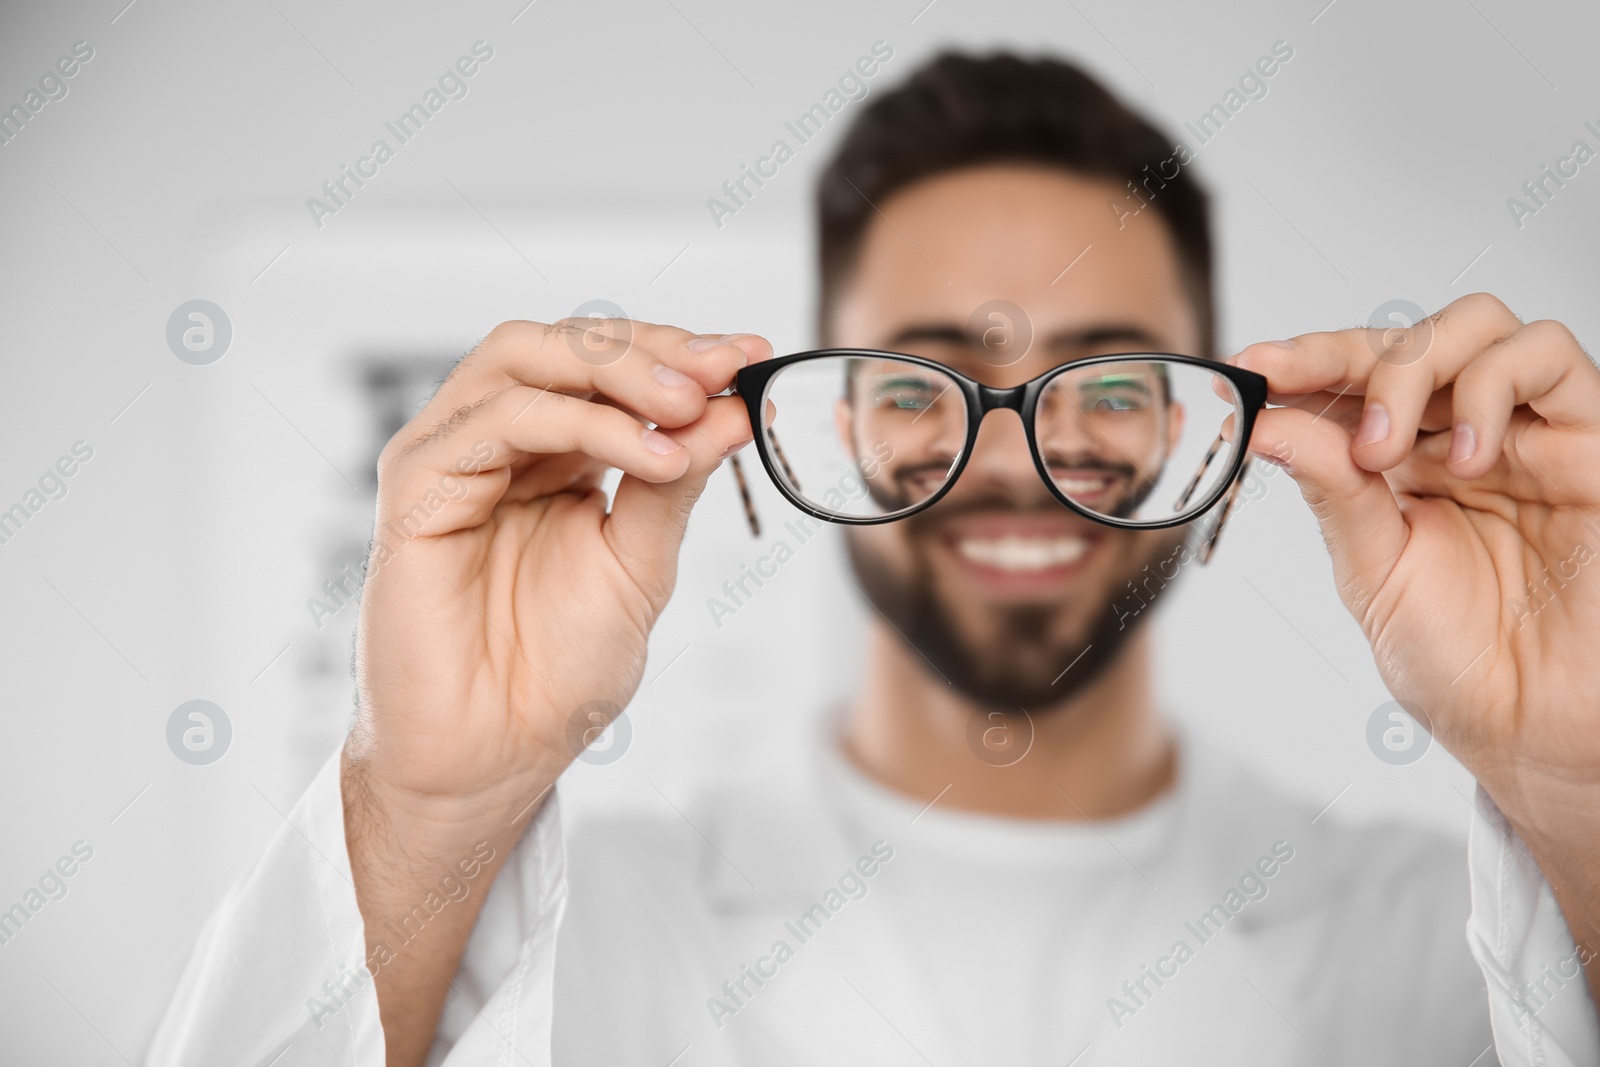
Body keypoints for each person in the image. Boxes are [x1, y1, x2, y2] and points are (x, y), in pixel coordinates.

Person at [147, 52, 1600, 1066]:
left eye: (1110, 384)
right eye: (923, 385)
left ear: (1226, 439)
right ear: (809, 427)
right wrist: (424, 808)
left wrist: (1582, 798)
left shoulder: (1434, 938)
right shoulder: (597, 929)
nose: (1017, 459)